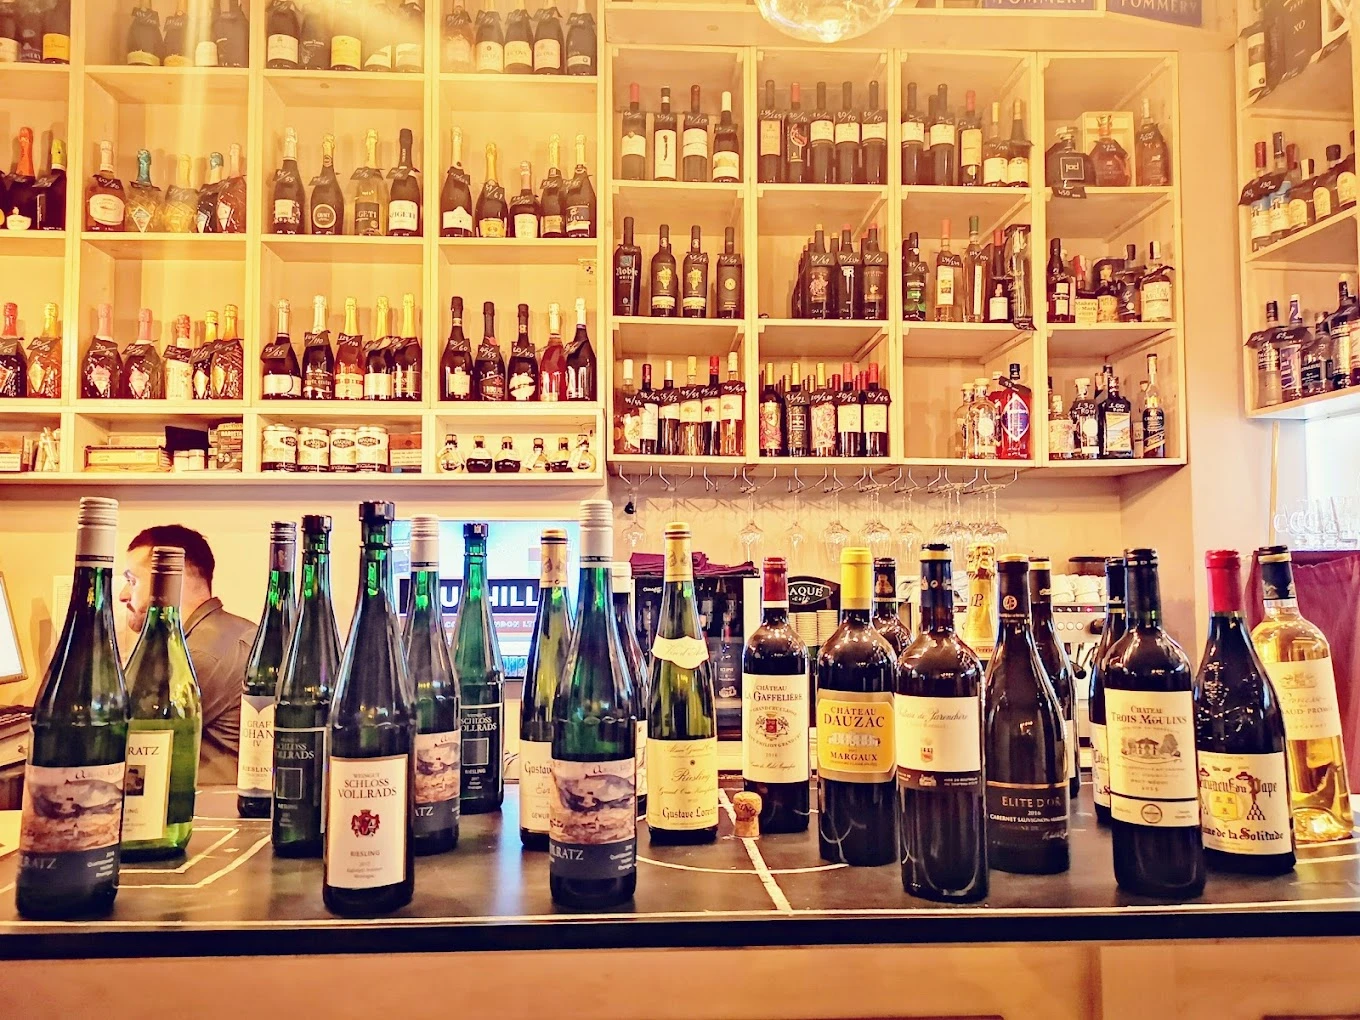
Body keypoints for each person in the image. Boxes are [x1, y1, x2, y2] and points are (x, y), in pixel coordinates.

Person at [119, 525, 254, 787]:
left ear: (170, 576)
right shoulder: (232, 632)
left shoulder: (198, 655)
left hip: (203, 806)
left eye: (132, 581)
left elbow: (123, 739)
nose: (123, 595)